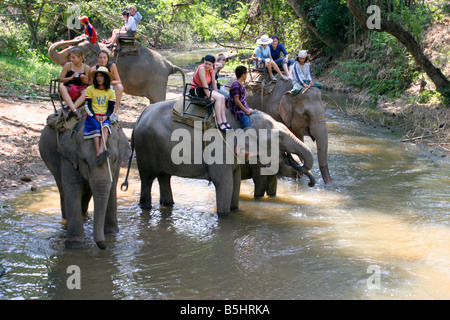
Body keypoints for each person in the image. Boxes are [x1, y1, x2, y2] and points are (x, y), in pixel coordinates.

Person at [83, 67, 116, 167]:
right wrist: (94, 115)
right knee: (96, 127)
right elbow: (87, 105)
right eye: (97, 76)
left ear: (105, 78)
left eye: (101, 76)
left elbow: (111, 108)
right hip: (93, 115)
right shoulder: (90, 89)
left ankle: (102, 149)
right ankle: (98, 150)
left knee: (105, 128)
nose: (99, 78)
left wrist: (106, 116)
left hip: (104, 116)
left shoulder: (111, 92)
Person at [190, 55, 231, 131]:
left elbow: (213, 82)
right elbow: (204, 84)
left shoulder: (212, 69)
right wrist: (210, 96)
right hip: (198, 90)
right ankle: (219, 122)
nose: (207, 66)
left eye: (209, 64)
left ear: (212, 64)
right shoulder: (202, 69)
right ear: (204, 62)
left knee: (221, 97)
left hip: (206, 88)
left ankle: (224, 120)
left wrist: (216, 92)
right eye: (206, 63)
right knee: (218, 98)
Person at [89, 50, 123, 118]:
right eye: (101, 58)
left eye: (104, 58)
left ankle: (114, 111)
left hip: (109, 86)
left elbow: (118, 81)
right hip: (98, 88)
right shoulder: (94, 69)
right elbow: (91, 83)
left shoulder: (112, 66)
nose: (102, 60)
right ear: (98, 59)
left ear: (108, 59)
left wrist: (107, 81)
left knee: (119, 87)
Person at [59, 48, 90, 119]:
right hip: (69, 88)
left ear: (80, 58)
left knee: (87, 91)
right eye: (71, 57)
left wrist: (83, 78)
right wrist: (70, 78)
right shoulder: (68, 65)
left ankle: (70, 110)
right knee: (61, 87)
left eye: (73, 58)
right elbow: (61, 79)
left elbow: (86, 83)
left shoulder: (86, 67)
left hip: (80, 88)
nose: (71, 59)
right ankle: (75, 110)